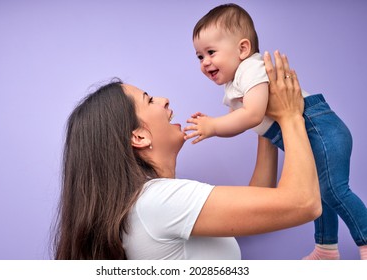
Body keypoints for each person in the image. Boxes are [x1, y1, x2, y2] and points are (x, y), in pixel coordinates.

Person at [54, 51, 321, 260]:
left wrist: (262, 120)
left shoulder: (149, 205)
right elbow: (304, 203)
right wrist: (289, 116)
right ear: (139, 136)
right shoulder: (158, 201)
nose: (164, 99)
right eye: (149, 100)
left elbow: (261, 202)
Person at [186, 3, 367, 260]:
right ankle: (326, 249)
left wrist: (213, 126)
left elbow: (253, 114)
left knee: (334, 190)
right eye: (199, 56)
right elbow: (240, 120)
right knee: (319, 192)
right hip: (312, 134)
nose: (205, 62)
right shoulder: (234, 82)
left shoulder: (251, 68)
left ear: (243, 49)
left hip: (321, 128)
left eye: (211, 52)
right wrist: (216, 124)